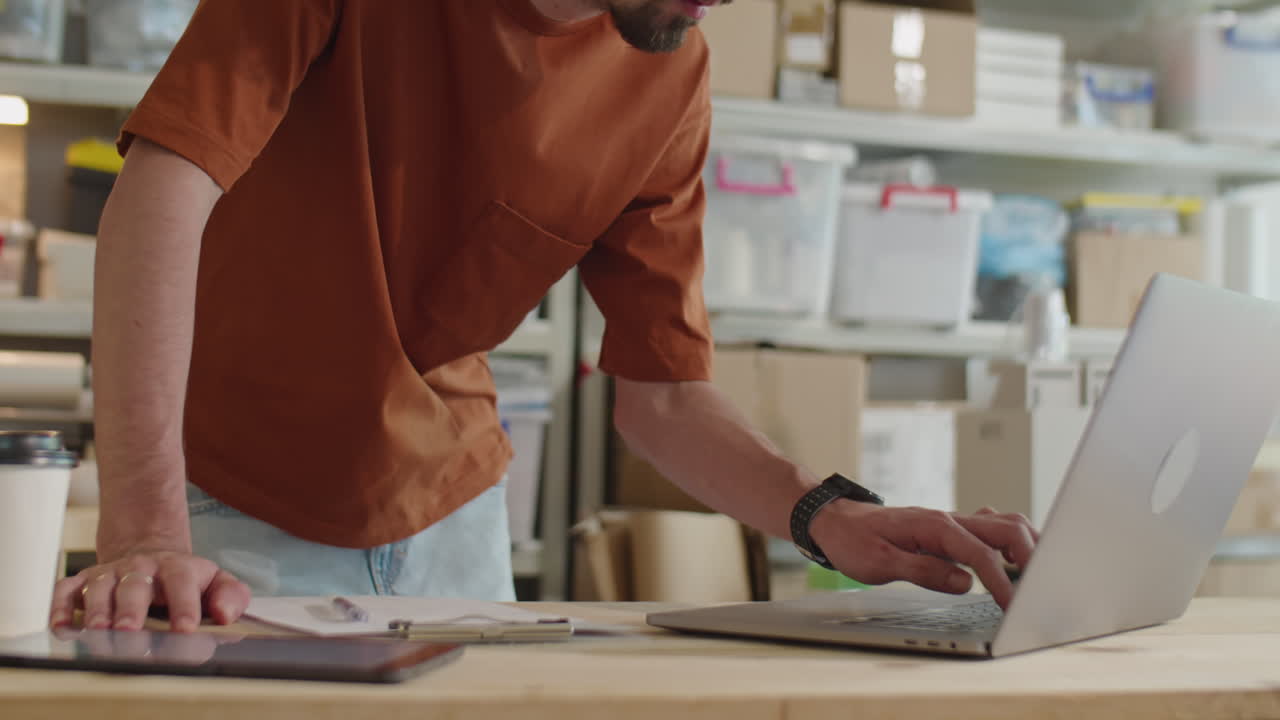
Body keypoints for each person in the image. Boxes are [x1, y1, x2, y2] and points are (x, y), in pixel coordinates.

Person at [50, 0, 1036, 633]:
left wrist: (831, 516)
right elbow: (163, 186)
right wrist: (141, 529)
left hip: (450, 513)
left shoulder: (671, 71)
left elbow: (663, 397)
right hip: (229, 504)